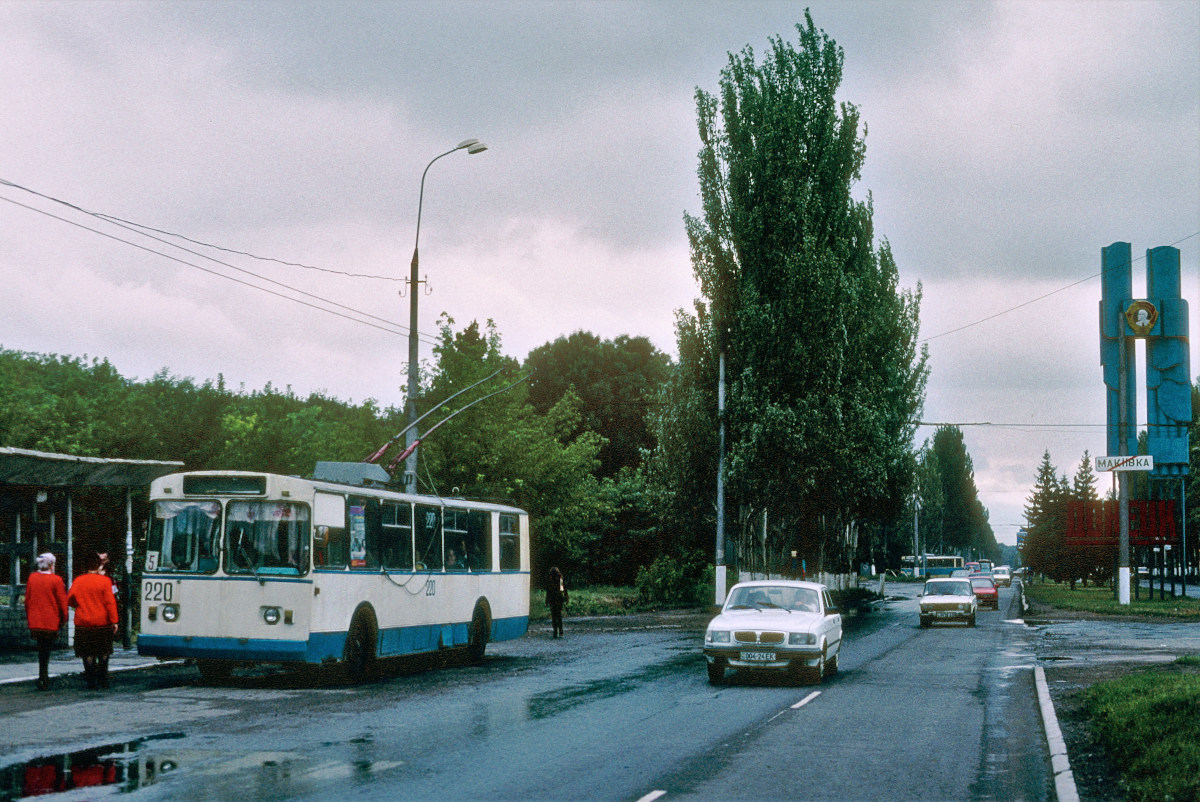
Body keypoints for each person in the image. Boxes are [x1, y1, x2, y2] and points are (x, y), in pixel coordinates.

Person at [68, 552, 119, 689]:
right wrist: (114, 621)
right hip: (102, 622)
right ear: (98, 565)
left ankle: (91, 680)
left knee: (87, 652)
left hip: (83, 622)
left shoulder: (78, 580)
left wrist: (78, 606)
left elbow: (70, 599)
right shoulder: (105, 581)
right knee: (103, 651)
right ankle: (102, 678)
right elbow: (110, 603)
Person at [25, 553, 68, 691]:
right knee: (46, 650)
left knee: (41, 649)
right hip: (50, 622)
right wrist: (64, 619)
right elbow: (62, 603)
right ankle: (44, 676)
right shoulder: (56, 580)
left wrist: (30, 617)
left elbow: (27, 601)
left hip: (36, 622)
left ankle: (42, 675)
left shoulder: (32, 578)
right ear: (51, 565)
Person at [546, 567, 568, 638]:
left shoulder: (550, 579)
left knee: (553, 615)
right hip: (559, 598)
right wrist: (566, 597)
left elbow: (548, 591)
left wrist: (546, 601)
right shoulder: (560, 578)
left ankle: (555, 631)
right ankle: (561, 630)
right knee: (559, 615)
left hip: (552, 598)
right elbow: (563, 589)